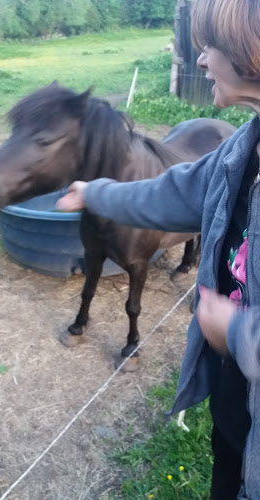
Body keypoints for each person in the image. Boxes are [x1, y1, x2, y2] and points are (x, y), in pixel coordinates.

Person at [56, 0, 260, 498]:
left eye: (211, 46)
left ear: (251, 52)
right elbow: (172, 192)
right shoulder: (242, 148)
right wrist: (94, 192)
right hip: (239, 389)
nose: (201, 61)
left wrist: (237, 329)